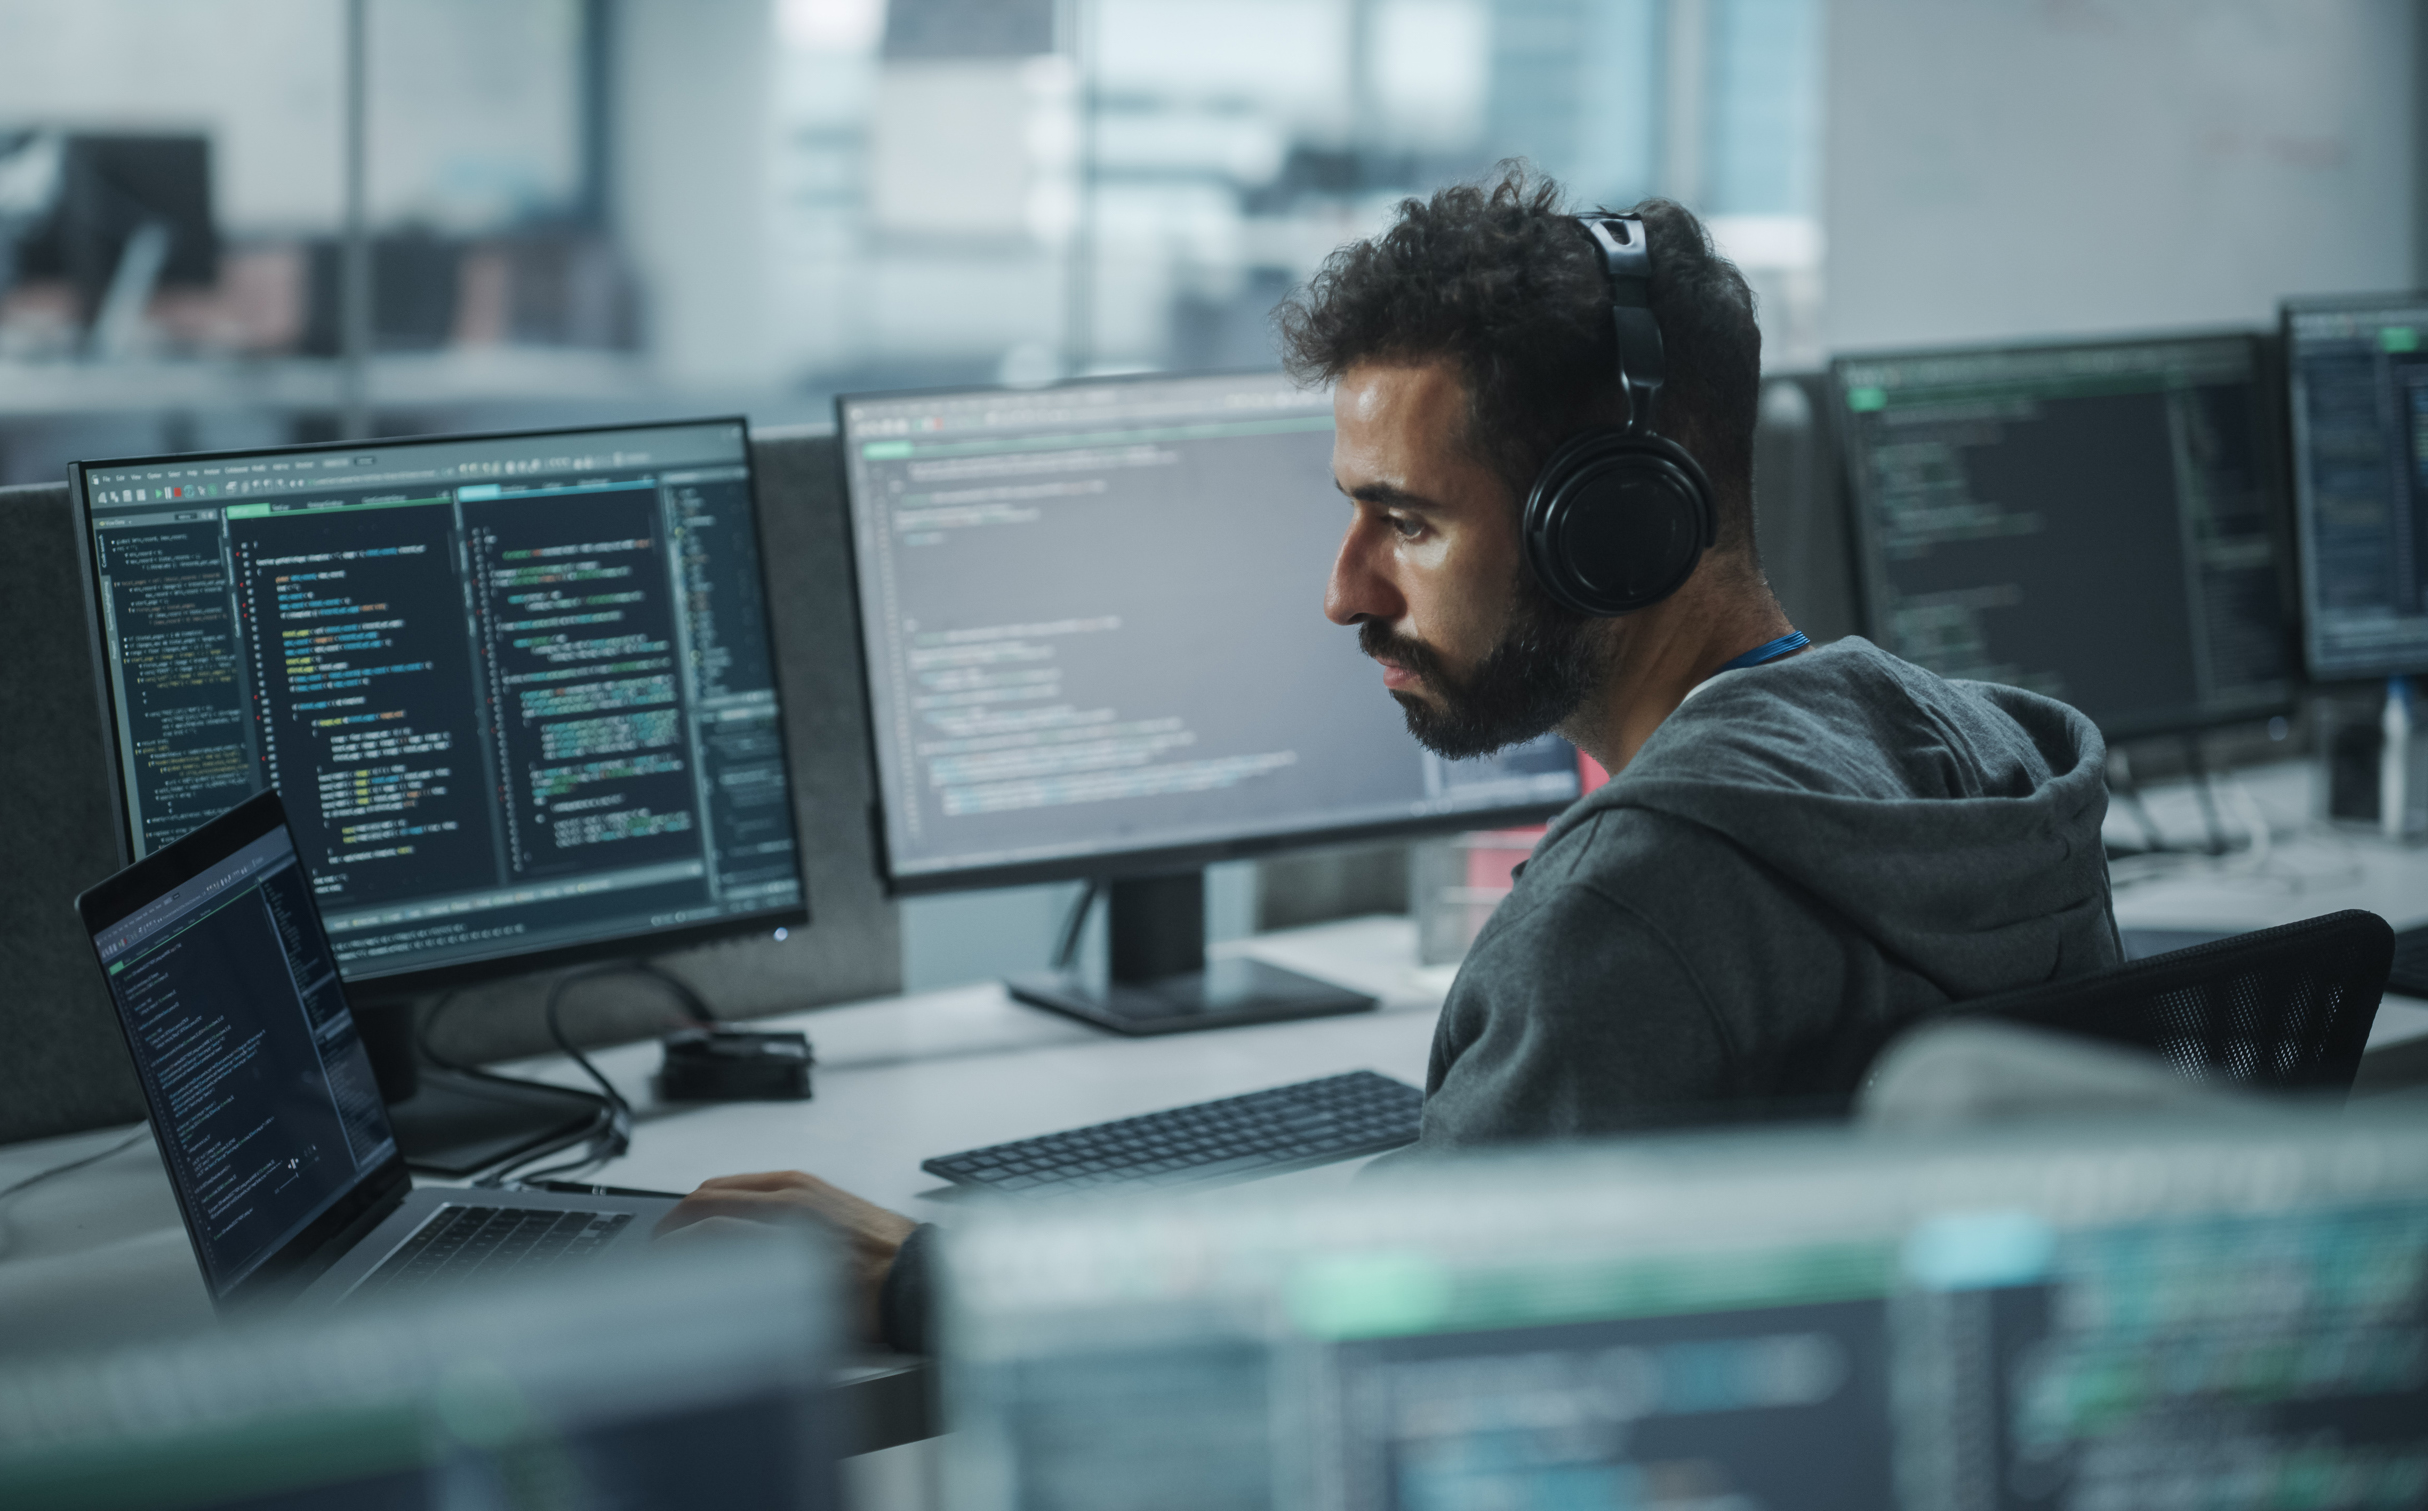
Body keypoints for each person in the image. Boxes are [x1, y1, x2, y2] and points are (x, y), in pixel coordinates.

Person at [657, 168, 2119, 1350]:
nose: (1345, 591)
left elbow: (1389, 1334)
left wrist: (934, 1281)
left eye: (1407, 521)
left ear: (1615, 524)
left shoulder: (1636, 909)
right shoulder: (1992, 770)